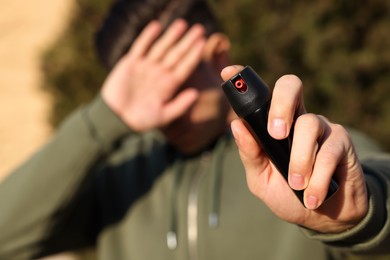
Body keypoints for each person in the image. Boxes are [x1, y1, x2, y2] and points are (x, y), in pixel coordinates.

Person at [0, 0, 390, 259]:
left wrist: (356, 219)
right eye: (136, 88)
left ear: (216, 53)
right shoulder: (116, 178)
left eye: (167, 78)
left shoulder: (311, 154)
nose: (157, 107)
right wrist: (104, 117)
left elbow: (374, 192)